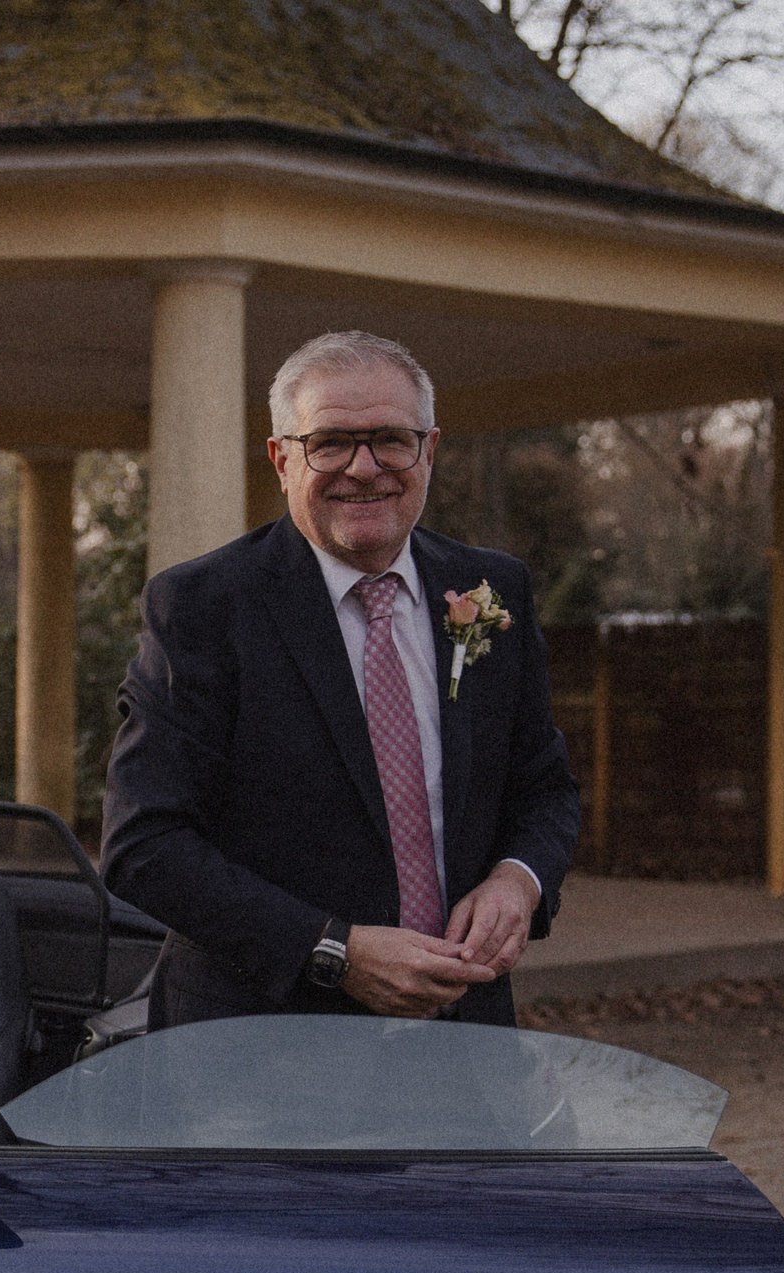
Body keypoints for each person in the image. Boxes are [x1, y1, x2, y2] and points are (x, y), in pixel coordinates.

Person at [101, 330, 579, 1029]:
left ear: (430, 451)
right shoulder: (203, 607)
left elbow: (545, 788)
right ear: (281, 459)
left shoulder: (492, 590)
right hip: (254, 1051)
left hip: (463, 1035)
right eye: (329, 442)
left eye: (391, 438)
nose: (364, 467)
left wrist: (519, 880)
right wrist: (335, 951)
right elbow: (145, 845)